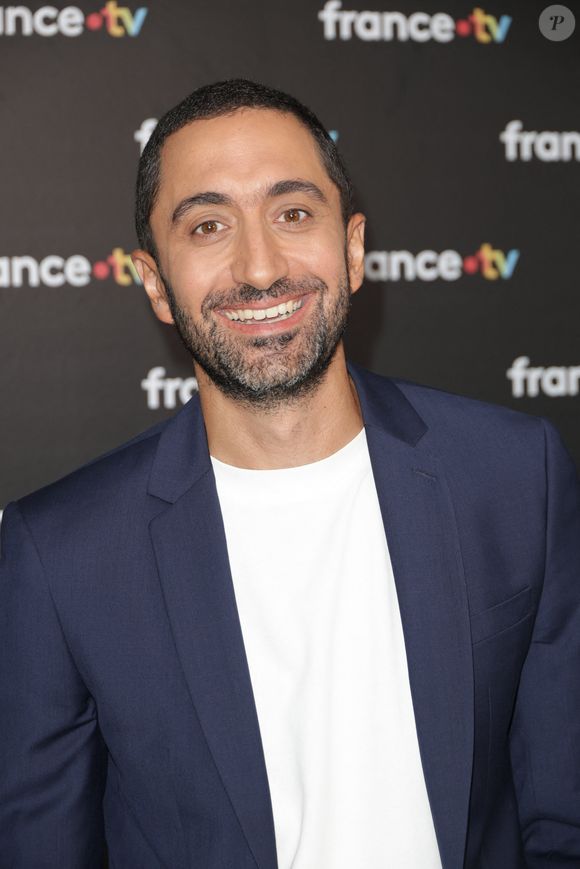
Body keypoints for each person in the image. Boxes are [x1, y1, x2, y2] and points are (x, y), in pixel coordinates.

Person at [1, 78, 579, 869]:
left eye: (294, 213)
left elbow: (564, 812)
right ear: (153, 283)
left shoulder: (515, 476)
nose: (261, 267)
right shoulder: (61, 552)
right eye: (208, 225)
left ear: (353, 247)